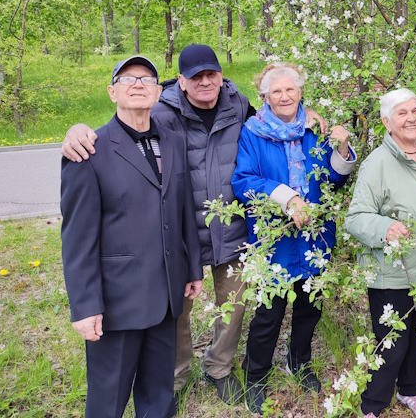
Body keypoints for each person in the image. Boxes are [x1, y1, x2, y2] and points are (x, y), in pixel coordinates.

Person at [60, 44, 327, 405]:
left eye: (211, 74)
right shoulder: (160, 109)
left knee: (232, 305)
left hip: (229, 227)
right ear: (180, 83)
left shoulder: (237, 105)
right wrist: (77, 130)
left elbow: (275, 115)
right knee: (175, 311)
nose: (205, 81)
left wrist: (306, 111)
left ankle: (219, 368)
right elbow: (121, 128)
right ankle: (175, 373)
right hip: (176, 231)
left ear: (221, 76)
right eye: (195, 76)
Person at [60, 55, 203, 418]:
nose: (138, 84)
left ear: (158, 92)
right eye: (127, 79)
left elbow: (184, 206)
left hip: (166, 296)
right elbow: (77, 237)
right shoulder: (89, 149)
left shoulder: (172, 141)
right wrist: (85, 304)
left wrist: (193, 268)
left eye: (147, 78)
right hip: (117, 302)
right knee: (108, 400)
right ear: (112, 92)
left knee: (158, 397)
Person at [231, 63, 356, 415]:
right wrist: (287, 198)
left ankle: (299, 363)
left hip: (315, 236)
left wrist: (342, 152)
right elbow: (244, 181)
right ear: (265, 96)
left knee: (309, 305)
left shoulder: (314, 128)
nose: (285, 96)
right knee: (270, 311)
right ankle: (255, 375)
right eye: (277, 91)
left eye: (291, 89)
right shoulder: (253, 133)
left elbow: (330, 179)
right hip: (276, 238)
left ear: (300, 92)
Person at [345, 88, 416, 418]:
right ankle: (372, 405)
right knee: (391, 343)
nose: (411, 118)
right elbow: (357, 217)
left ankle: (411, 391)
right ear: (387, 122)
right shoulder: (378, 163)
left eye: (415, 110)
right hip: (395, 271)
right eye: (401, 113)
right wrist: (384, 229)